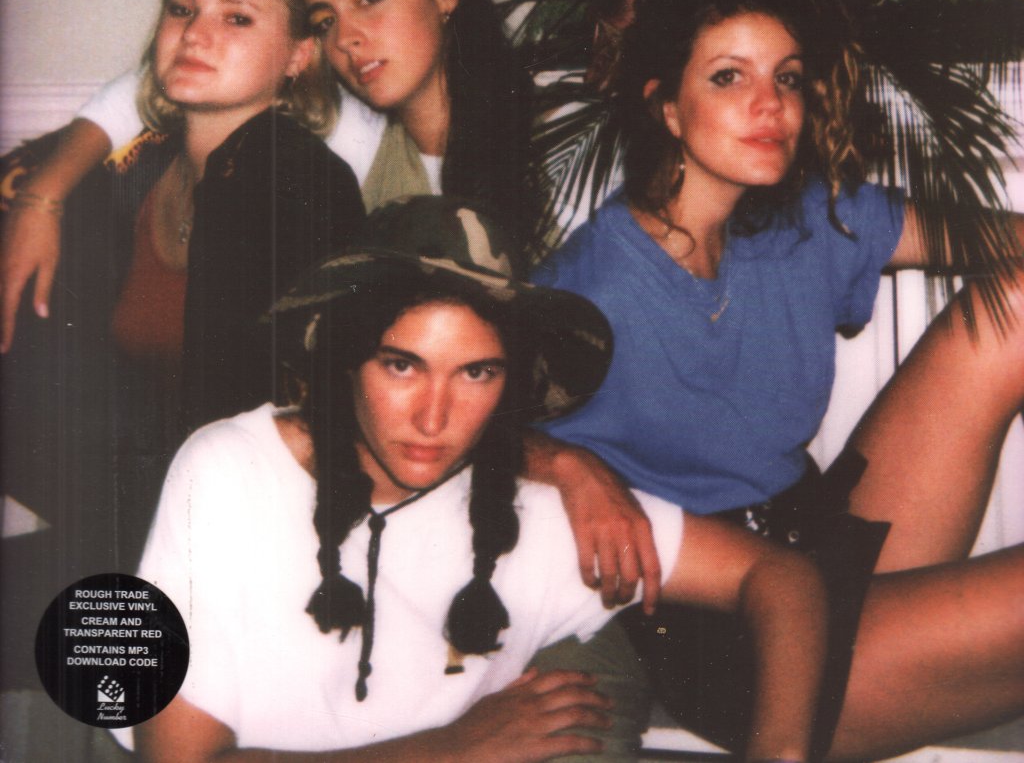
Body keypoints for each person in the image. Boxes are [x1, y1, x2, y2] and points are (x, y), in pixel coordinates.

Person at [531, 0, 1024, 761]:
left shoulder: (799, 221)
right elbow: (459, 427)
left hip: (820, 533)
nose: (771, 104)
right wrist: (569, 467)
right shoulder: (591, 285)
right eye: (730, 76)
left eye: (786, 77)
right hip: (726, 625)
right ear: (666, 106)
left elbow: (986, 236)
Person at [121, 196, 827, 763]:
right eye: (402, 365)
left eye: (477, 373)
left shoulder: (539, 509)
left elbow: (780, 576)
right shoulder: (231, 473)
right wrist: (450, 749)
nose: (434, 417)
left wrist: (781, 751)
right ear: (342, 356)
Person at [1, 0, 541, 355]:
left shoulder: (552, 146)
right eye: (325, 21)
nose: (347, 36)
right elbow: (160, 78)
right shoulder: (352, 125)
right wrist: (41, 197)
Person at [1, 0, 364, 603]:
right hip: (136, 516)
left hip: (243, 550)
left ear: (297, 56)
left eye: (237, 18)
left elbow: (292, 424)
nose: (196, 33)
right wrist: (37, 202)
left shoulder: (300, 186)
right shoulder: (138, 170)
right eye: (182, 8)